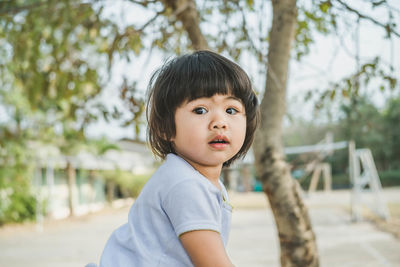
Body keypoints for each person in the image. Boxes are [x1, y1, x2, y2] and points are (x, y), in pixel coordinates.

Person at [97, 50, 259, 267]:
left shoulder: (200, 180)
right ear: (165, 128)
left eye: (231, 109)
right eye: (200, 110)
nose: (220, 122)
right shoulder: (185, 183)